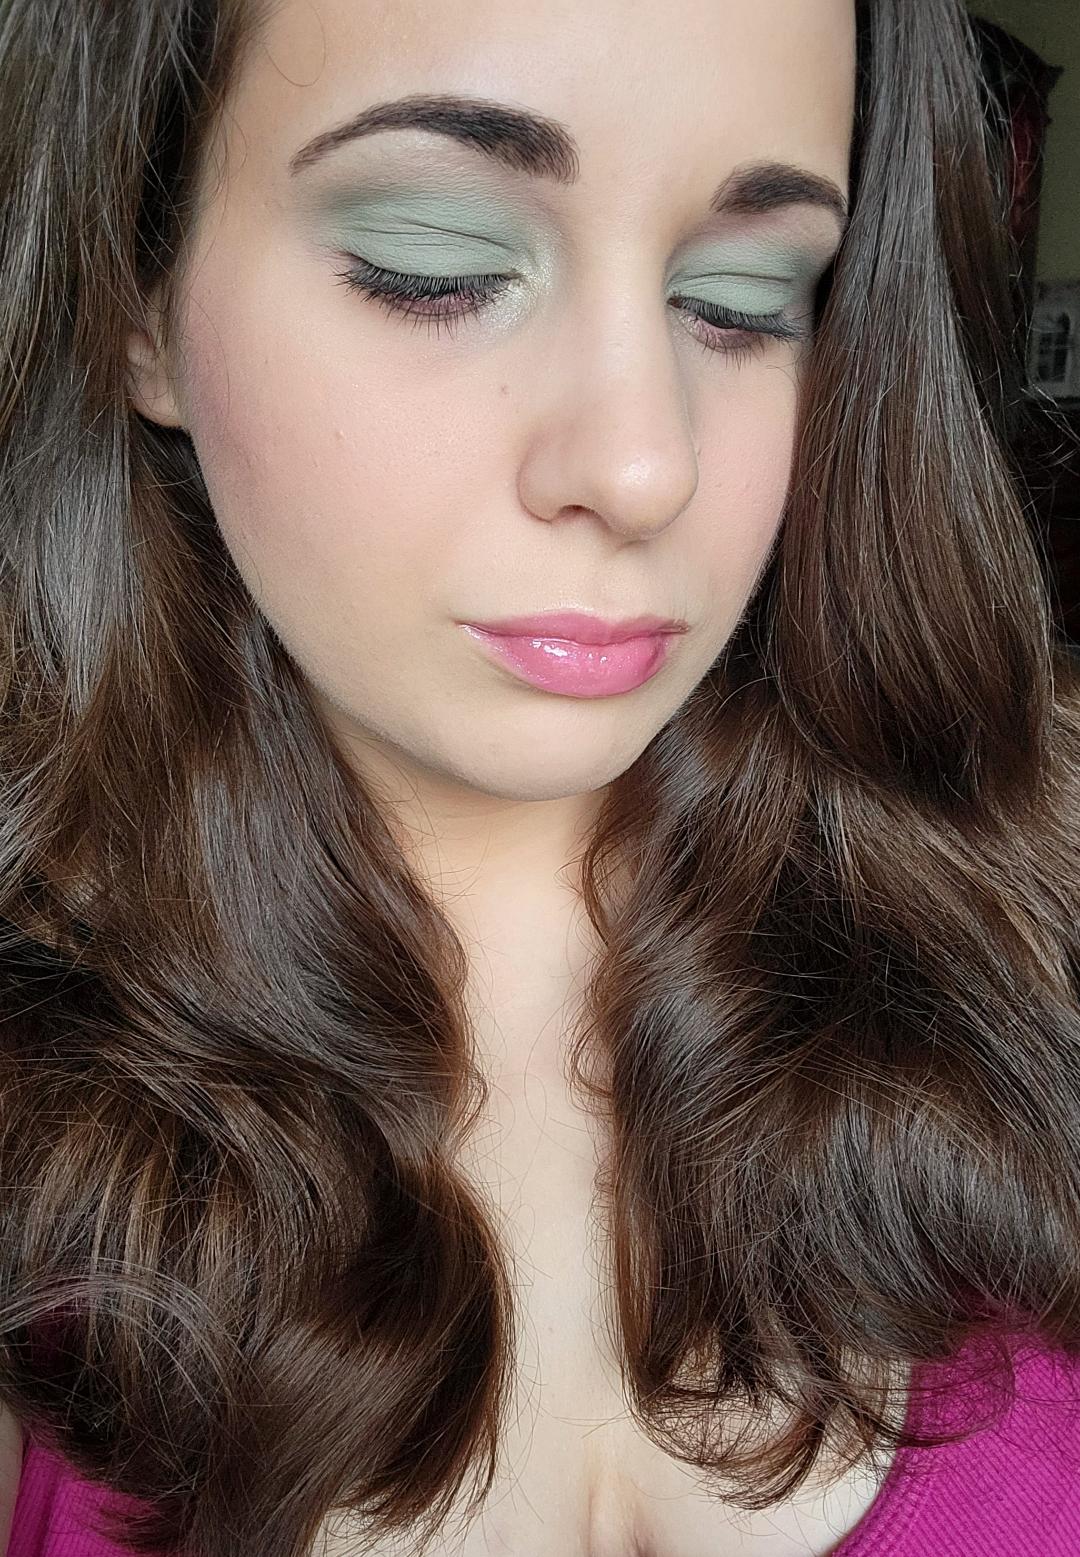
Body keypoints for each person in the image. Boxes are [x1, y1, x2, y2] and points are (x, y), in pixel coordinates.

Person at [1, 0, 1079, 1552]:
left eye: (742, 298)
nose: (643, 464)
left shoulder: (1024, 945)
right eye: (437, 262)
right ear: (138, 298)